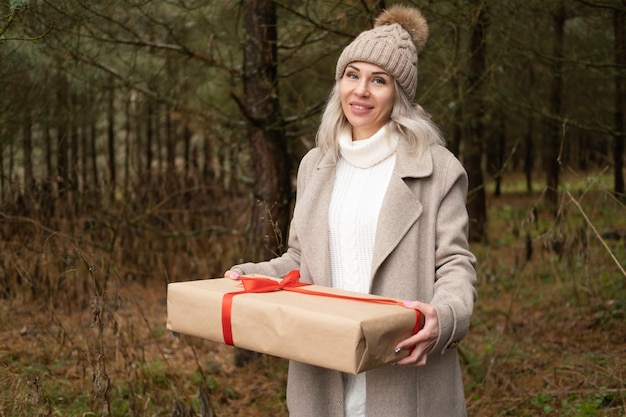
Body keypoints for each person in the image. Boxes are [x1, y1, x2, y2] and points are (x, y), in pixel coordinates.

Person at [225, 5, 477, 417]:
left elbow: (454, 263)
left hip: (403, 375)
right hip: (324, 375)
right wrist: (255, 275)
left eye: (378, 80)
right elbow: (300, 259)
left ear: (399, 94)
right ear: (339, 82)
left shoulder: (437, 167)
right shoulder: (316, 165)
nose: (361, 91)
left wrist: (444, 317)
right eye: (352, 75)